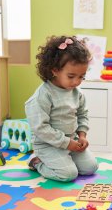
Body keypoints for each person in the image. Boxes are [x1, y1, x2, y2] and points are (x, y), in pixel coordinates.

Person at [25, 35, 98, 182]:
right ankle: (37, 161)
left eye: (81, 77)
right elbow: (41, 129)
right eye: (71, 76)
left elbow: (83, 115)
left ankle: (65, 159)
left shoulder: (77, 93)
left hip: (72, 141)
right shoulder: (43, 95)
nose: (77, 82)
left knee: (91, 168)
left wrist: (82, 136)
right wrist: (66, 143)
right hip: (48, 145)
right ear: (55, 70)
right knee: (68, 174)